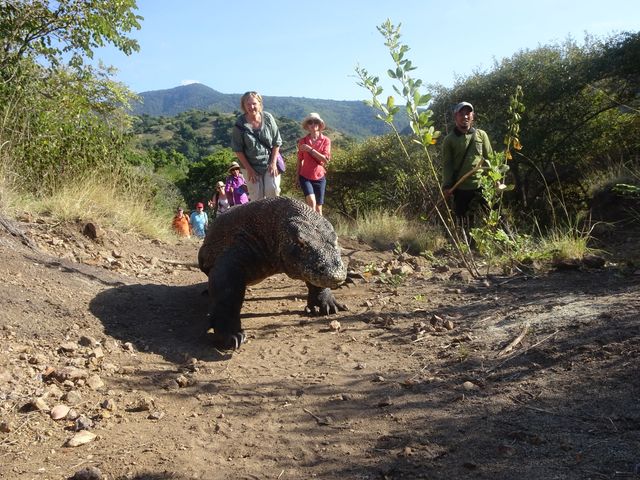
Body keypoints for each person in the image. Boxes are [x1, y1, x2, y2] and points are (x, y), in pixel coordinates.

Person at [442, 101, 494, 219]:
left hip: (483, 186)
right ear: (456, 116)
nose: (465, 116)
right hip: (461, 188)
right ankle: (464, 238)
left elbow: (490, 158)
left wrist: (496, 179)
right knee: (464, 222)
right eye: (461, 114)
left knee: (494, 218)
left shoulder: (481, 135)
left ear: (472, 116)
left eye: (468, 113)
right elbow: (447, 165)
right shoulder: (449, 140)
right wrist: (446, 186)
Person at [231, 91, 283, 200]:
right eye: (248, 104)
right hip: (250, 165)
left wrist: (273, 163)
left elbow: (276, 142)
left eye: (254, 103)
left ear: (260, 104)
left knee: (272, 190)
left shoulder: (268, 118)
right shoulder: (240, 124)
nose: (251, 107)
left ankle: (273, 217)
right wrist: (249, 169)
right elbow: (238, 149)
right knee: (257, 198)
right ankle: (260, 218)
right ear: (243, 106)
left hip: (269, 162)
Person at [297, 112, 331, 215]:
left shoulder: (326, 140)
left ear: (320, 124)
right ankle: (310, 228)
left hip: (320, 177)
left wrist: (310, 150)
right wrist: (296, 177)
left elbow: (325, 160)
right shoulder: (303, 141)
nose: (313, 124)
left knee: (318, 209)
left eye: (316, 121)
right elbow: (299, 160)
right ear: (307, 126)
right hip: (305, 176)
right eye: (310, 122)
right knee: (311, 202)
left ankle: (320, 230)